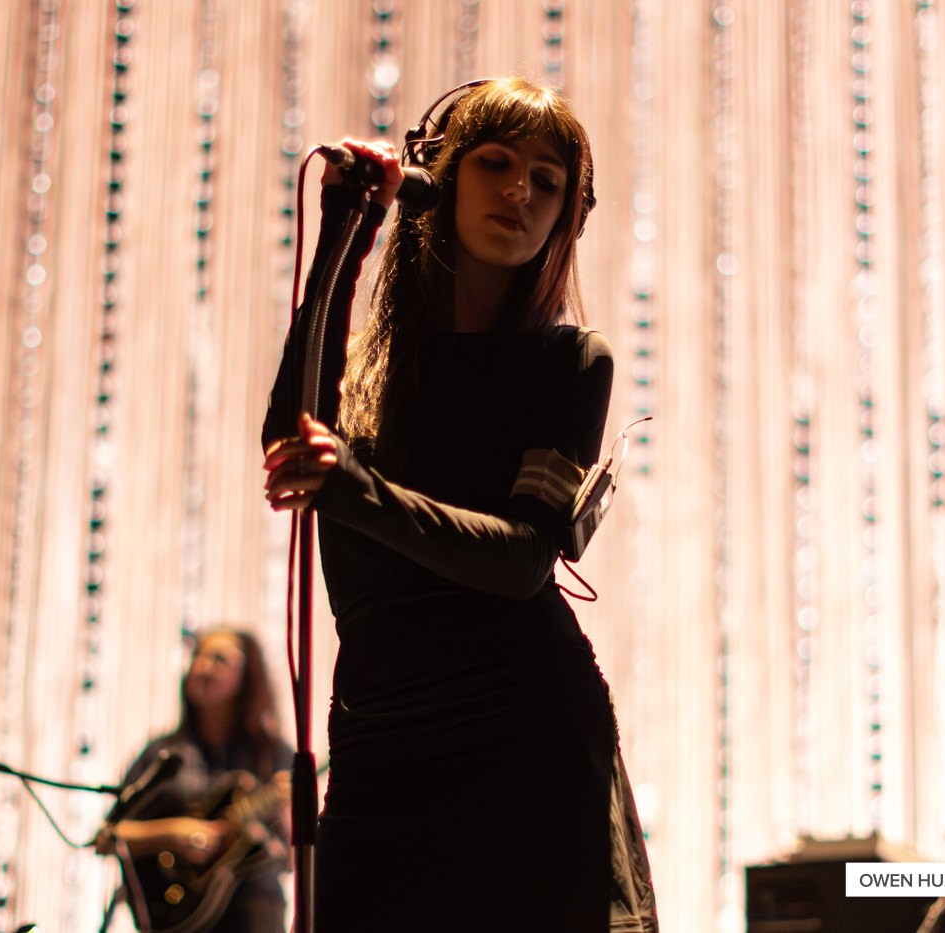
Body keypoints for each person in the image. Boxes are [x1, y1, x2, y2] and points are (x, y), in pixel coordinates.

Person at [260, 77, 657, 932]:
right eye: (496, 163)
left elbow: (522, 558)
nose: (520, 192)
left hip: (521, 731)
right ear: (438, 175)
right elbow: (288, 434)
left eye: (547, 180)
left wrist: (356, 490)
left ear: (568, 214)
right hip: (378, 736)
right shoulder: (362, 368)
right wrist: (344, 228)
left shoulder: (571, 362)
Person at [97, 629, 293, 933]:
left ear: (248, 675)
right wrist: (171, 835)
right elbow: (107, 838)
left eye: (219, 659)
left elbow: (293, 860)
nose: (202, 666)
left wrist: (288, 811)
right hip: (176, 917)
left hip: (255, 914)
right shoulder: (163, 753)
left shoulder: (274, 755)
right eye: (197, 656)